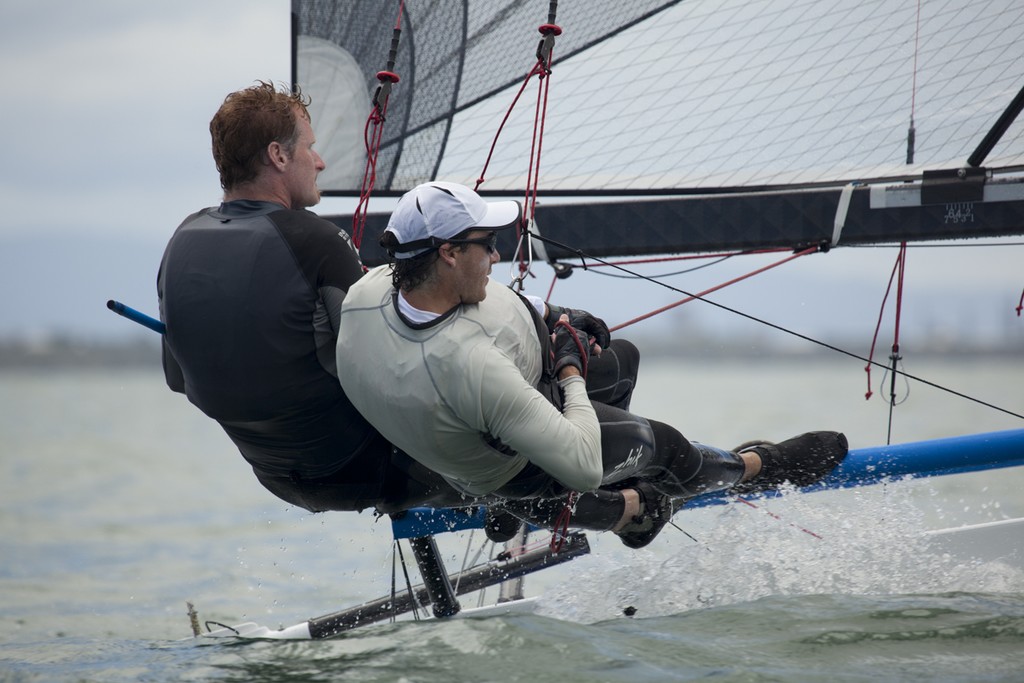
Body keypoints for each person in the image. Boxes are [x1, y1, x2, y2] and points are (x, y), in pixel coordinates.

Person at [336, 181, 849, 547]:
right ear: (448, 253)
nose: (497, 257)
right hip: (514, 465)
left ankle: (611, 504)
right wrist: (568, 369)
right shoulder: (469, 364)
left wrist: (556, 314)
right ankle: (752, 468)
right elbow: (579, 463)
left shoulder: (374, 289)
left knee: (622, 358)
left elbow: (489, 302)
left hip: (470, 424)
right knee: (663, 446)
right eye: (488, 245)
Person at [157, 81, 459, 514]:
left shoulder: (182, 240)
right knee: (535, 433)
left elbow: (177, 378)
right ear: (279, 156)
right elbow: (395, 366)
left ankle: (512, 507)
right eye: (310, 149)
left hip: (276, 478)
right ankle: (543, 501)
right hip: (371, 469)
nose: (320, 162)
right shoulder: (312, 239)